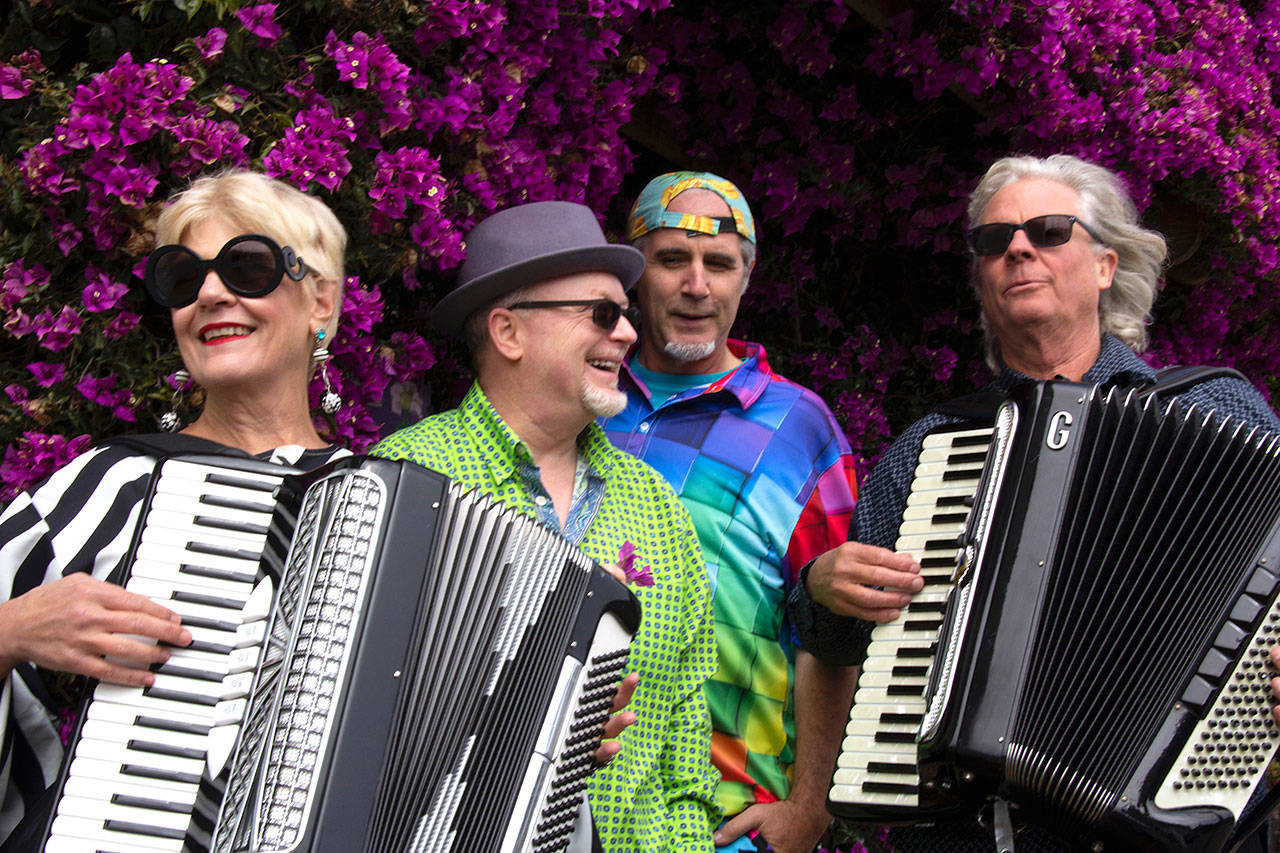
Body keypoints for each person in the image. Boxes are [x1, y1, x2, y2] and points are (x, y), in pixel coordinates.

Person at [788, 153, 1280, 852]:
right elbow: (833, 643)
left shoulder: (1219, 410)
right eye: (994, 240)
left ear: (1106, 266)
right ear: (983, 281)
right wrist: (822, 587)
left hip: (1180, 821)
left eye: (1049, 231)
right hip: (975, 833)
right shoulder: (934, 448)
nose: (1018, 248)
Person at [0, 169, 352, 844]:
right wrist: (11, 629)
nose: (212, 294)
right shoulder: (112, 483)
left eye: (247, 267)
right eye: (184, 279)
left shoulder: (398, 507)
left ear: (322, 302)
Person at [373, 200, 720, 852]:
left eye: (628, 315)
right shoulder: (406, 478)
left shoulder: (659, 508)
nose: (625, 334)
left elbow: (685, 738)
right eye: (601, 313)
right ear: (509, 332)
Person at [600, 172, 858, 853]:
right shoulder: (583, 399)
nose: (696, 285)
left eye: (719, 264)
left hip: (726, 820)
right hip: (572, 804)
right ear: (636, 274)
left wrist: (809, 807)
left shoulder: (800, 430)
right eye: (671, 259)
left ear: (745, 280)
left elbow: (835, 631)